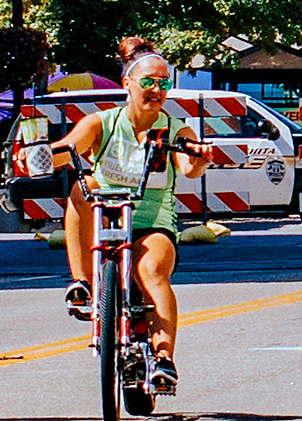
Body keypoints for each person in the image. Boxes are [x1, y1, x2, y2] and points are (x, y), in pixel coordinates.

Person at [58, 44, 211, 394]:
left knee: (153, 272)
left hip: (151, 220)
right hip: (105, 218)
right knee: (82, 189)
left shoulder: (175, 130)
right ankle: (81, 282)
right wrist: (35, 155)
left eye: (163, 83)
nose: (156, 90)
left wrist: (200, 157)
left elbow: (189, 166)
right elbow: (68, 149)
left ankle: (163, 361)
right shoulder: (103, 123)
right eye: (148, 81)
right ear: (128, 82)